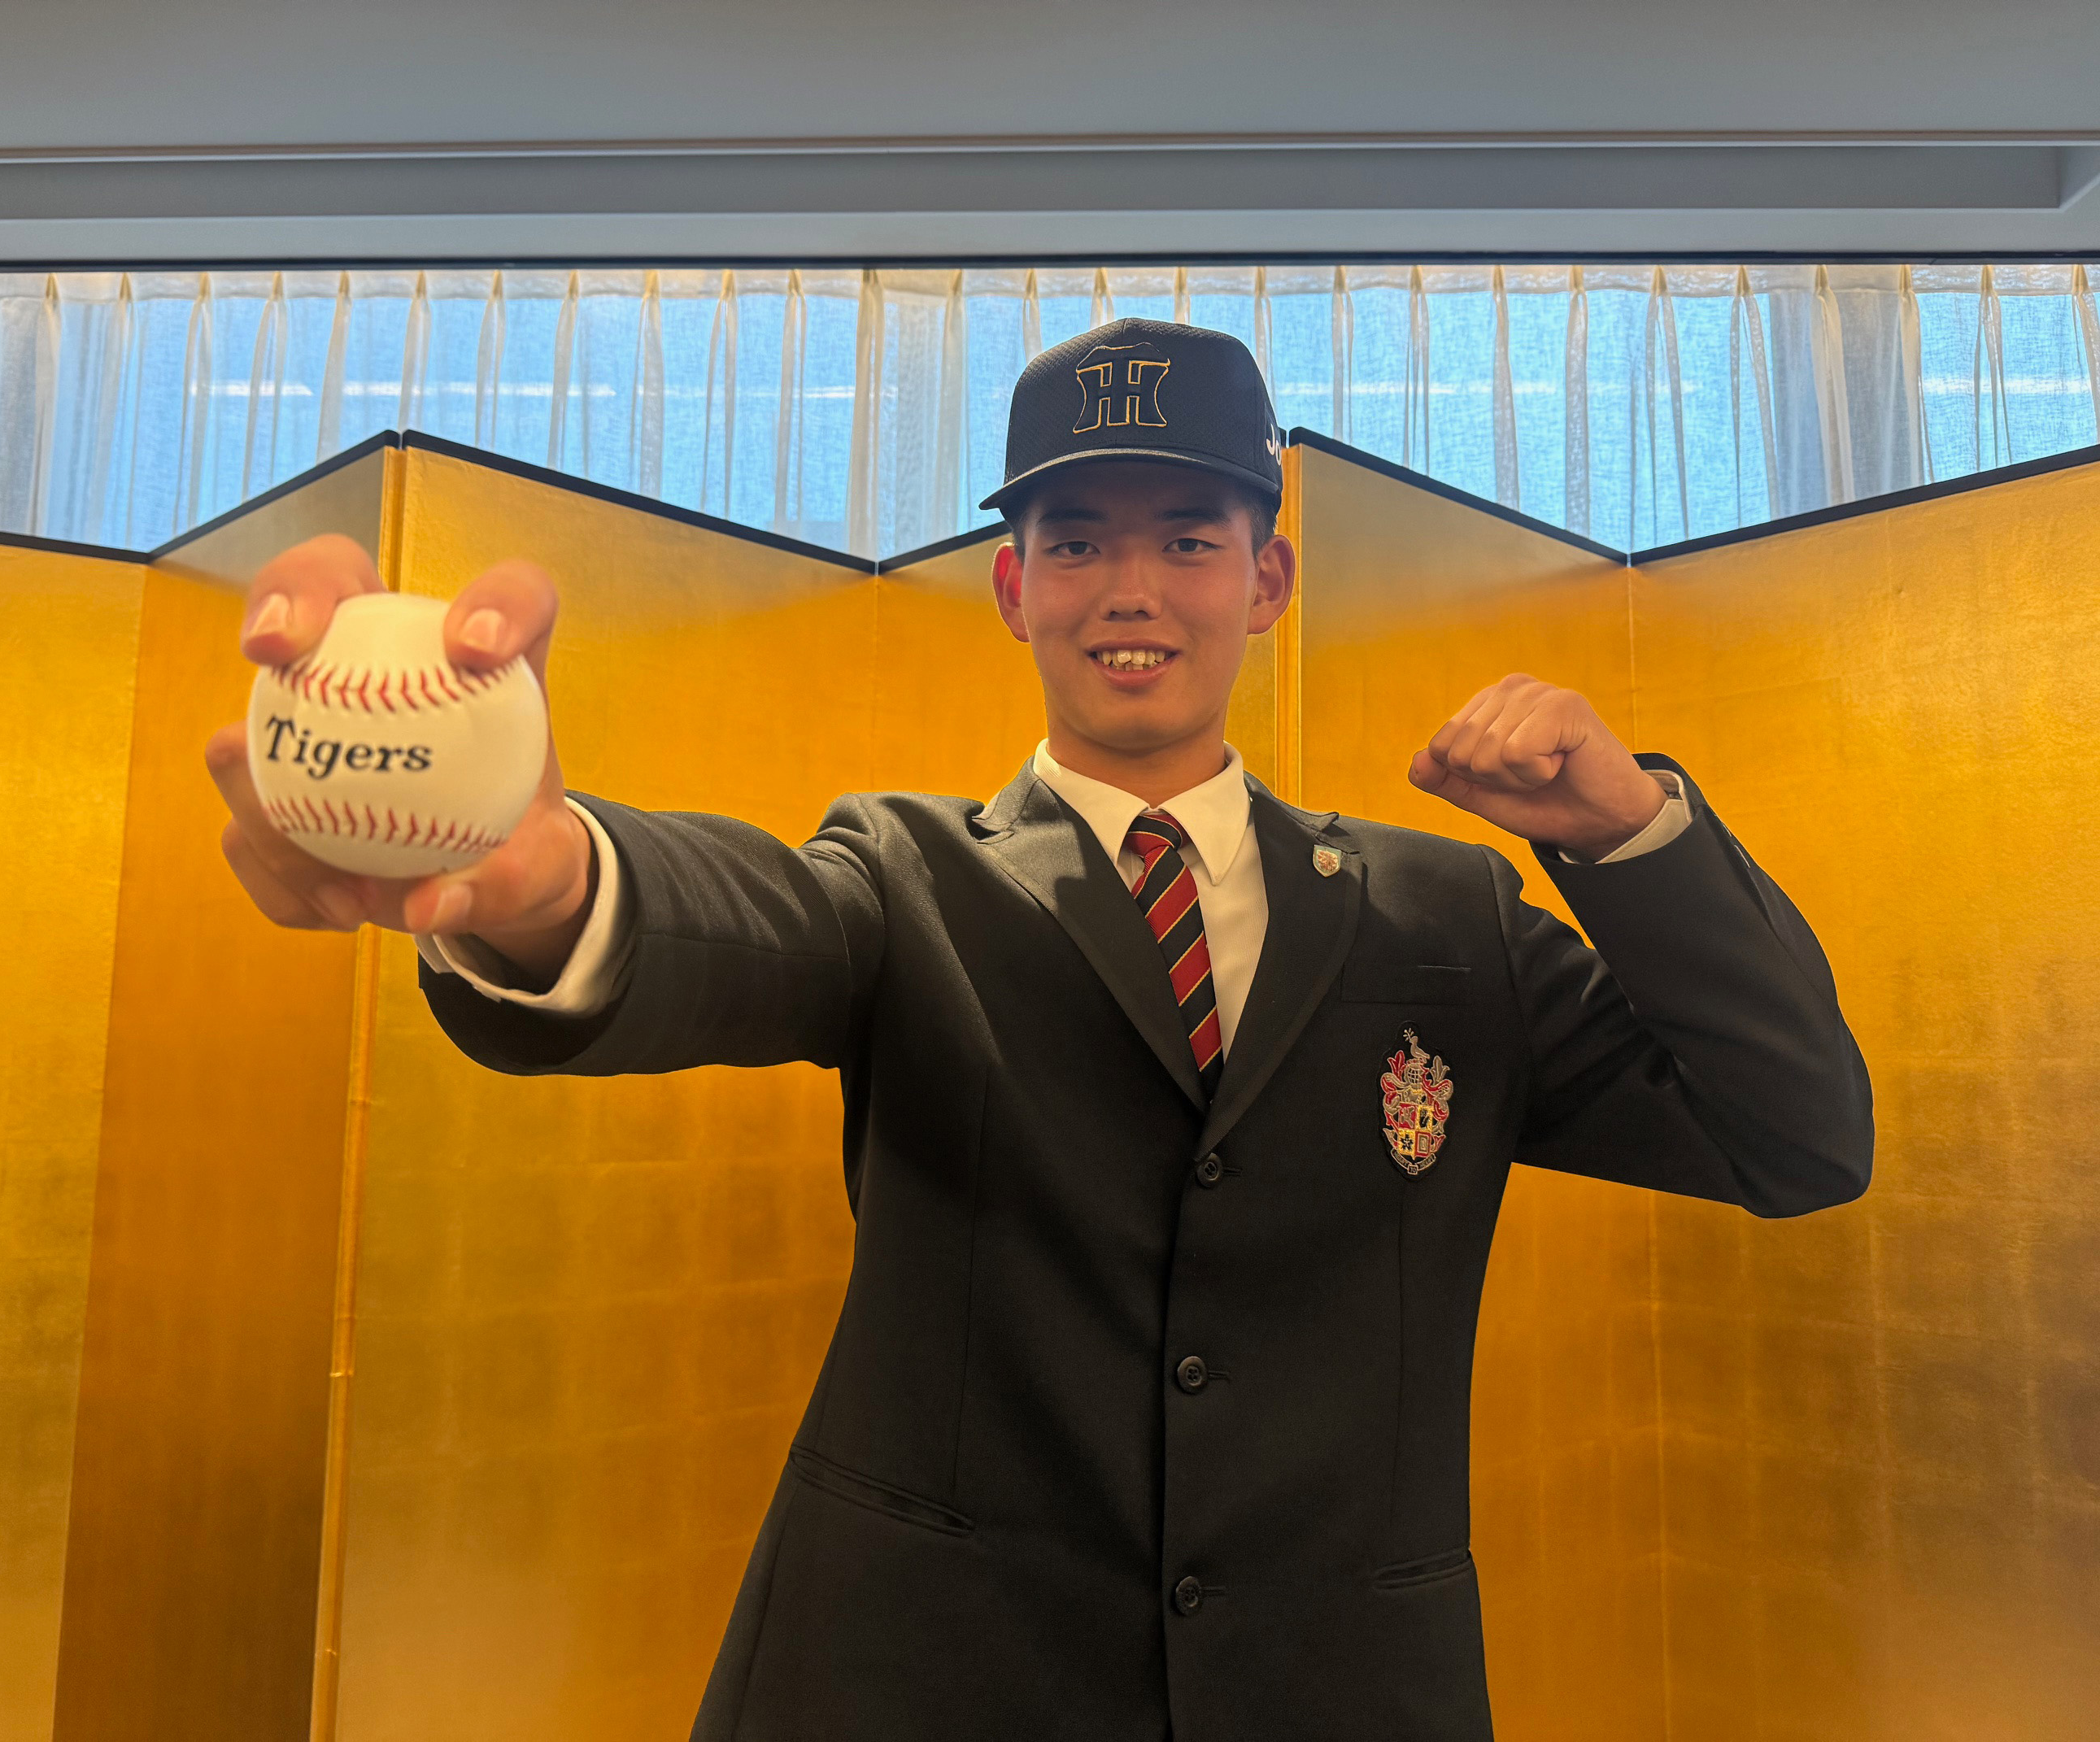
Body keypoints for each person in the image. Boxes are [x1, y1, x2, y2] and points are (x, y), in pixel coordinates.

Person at [206, 319, 1873, 1740]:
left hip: (1340, 1690)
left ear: (1269, 578)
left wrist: (1629, 835)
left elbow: (1796, 1134)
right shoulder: (904, 876)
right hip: (924, 1683)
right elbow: (738, 923)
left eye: (1189, 538)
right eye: (1075, 542)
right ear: (1013, 587)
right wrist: (547, 880)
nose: (1129, 589)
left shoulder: (1450, 920)